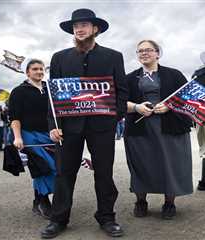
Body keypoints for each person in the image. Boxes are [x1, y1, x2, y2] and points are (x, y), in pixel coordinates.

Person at [41, 8, 128, 239]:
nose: (79, 29)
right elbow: (53, 95)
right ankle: (58, 219)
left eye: (84, 25)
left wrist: (115, 116)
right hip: (68, 127)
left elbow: (122, 90)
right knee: (64, 172)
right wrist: (53, 124)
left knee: (104, 172)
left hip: (103, 125)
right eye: (75, 26)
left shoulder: (113, 56)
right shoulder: (60, 57)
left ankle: (107, 217)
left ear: (95, 29)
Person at [124, 40, 193, 220]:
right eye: (140, 51)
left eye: (148, 50)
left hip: (170, 127)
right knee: (141, 165)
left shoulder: (174, 74)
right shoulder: (129, 78)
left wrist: (170, 106)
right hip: (140, 129)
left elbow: (188, 98)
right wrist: (137, 107)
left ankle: (169, 203)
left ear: (157, 53)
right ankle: (140, 201)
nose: (144, 53)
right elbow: (119, 102)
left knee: (170, 165)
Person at [9, 58, 56, 219]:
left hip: (50, 134)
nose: (39, 72)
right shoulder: (18, 91)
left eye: (41, 69)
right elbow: (14, 117)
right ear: (27, 72)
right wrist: (17, 137)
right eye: (35, 69)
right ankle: (44, 201)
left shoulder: (50, 89)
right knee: (44, 167)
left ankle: (37, 200)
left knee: (56, 167)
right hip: (29, 135)